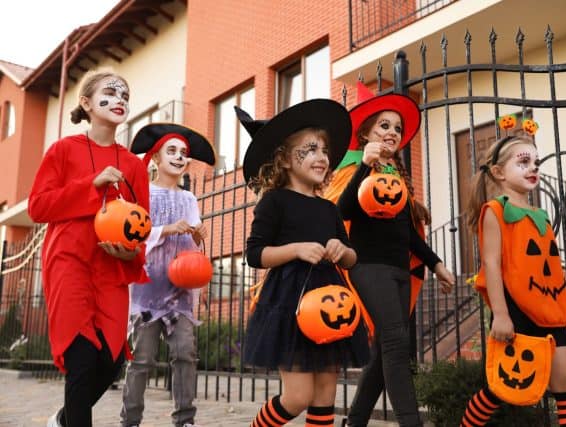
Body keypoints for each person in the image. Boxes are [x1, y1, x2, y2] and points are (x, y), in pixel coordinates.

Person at [326, 82, 456, 427]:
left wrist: (437, 263)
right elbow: (342, 210)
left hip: (399, 271)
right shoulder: (356, 168)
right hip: (369, 268)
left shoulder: (395, 174)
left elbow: (407, 232)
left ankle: (354, 423)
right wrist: (362, 168)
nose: (393, 132)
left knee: (386, 349)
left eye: (397, 128)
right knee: (398, 344)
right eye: (384, 125)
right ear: (366, 131)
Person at [235, 99, 370, 427]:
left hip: (330, 301)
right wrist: (295, 249)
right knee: (297, 397)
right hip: (289, 304)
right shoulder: (274, 202)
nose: (321, 157)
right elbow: (255, 254)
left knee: (325, 396)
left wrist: (341, 248)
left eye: (323, 150)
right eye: (309, 149)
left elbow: (352, 258)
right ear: (283, 158)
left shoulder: (329, 209)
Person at [28, 70, 150, 427]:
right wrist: (92, 184)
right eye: (110, 94)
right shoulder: (63, 150)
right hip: (70, 261)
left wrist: (132, 254)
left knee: (110, 360)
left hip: (112, 268)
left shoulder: (133, 165)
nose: (119, 100)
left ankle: (64, 419)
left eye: (124, 95)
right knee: (82, 358)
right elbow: (38, 207)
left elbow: (141, 224)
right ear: (86, 103)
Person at [460, 135, 566, 426]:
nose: (534, 168)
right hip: (516, 309)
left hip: (549, 309)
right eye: (523, 162)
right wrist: (501, 315)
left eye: (536, 162)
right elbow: (491, 265)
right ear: (499, 172)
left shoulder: (540, 215)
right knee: (500, 388)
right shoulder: (495, 211)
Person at [119, 123, 216, 427]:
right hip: (148, 288)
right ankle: (130, 420)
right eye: (171, 151)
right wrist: (165, 229)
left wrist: (198, 234)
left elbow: (192, 241)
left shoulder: (189, 199)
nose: (178, 157)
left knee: (185, 354)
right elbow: (133, 235)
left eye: (183, 153)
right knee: (142, 358)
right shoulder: (144, 194)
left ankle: (185, 419)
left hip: (180, 291)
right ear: (156, 159)